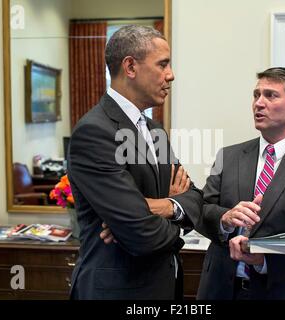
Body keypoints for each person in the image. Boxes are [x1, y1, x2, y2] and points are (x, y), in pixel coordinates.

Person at [67, 25, 203, 300]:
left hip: (163, 286)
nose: (171, 75)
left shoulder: (154, 129)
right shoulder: (94, 132)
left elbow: (196, 198)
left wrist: (163, 207)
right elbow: (141, 234)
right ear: (130, 66)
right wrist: (173, 219)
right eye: (163, 64)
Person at [196, 67, 285, 300]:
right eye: (256, 95)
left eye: (270, 95)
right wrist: (224, 219)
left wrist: (265, 259)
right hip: (219, 288)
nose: (258, 103)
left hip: (280, 290)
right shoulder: (229, 156)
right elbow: (200, 210)